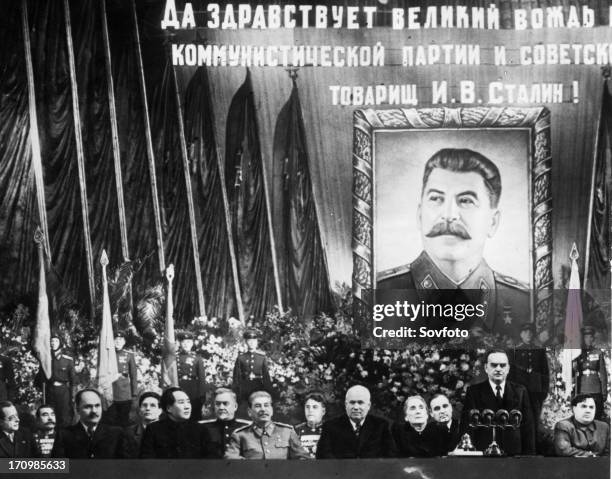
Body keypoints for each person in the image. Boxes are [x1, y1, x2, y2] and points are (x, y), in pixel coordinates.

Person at [377, 148, 530, 341]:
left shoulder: (527, 305)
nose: (449, 215)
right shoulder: (376, 295)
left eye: (466, 200)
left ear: (493, 222)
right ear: (419, 215)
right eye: (436, 198)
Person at [460, 349, 535, 455]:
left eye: (502, 365)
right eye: (494, 365)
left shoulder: (520, 391)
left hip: (513, 456)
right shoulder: (474, 392)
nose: (498, 369)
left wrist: (528, 458)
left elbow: (528, 429)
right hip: (484, 455)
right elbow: (468, 427)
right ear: (486, 368)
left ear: (508, 368)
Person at [316, 385, 396, 458]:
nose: (356, 407)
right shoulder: (330, 427)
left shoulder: (381, 426)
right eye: (352, 402)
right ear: (346, 405)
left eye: (360, 402)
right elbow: (323, 456)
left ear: (368, 405)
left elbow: (390, 457)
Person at [225, 390, 308, 459]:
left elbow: (303, 459)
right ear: (249, 412)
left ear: (271, 409)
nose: (263, 409)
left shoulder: (287, 432)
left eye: (266, 405)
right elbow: (230, 460)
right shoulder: (240, 435)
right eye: (258, 406)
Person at [51, 388, 125, 458]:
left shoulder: (117, 434)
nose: (94, 411)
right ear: (77, 409)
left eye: (97, 406)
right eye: (88, 407)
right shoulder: (64, 435)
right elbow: (58, 469)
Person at [140, 387, 206, 458]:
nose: (187, 406)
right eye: (181, 402)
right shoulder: (153, 430)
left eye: (188, 402)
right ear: (169, 408)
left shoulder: (200, 429)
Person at [508, 323, 549, 425]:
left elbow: (545, 373)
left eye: (530, 332)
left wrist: (544, 391)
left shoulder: (540, 351)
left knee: (534, 420)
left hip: (536, 393)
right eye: (525, 332)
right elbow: (511, 374)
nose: (528, 334)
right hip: (520, 393)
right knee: (520, 421)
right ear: (521, 334)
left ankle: (534, 441)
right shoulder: (514, 351)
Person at [35, 334, 75, 427]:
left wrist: (72, 396)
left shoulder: (67, 360)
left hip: (63, 391)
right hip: (50, 391)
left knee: (64, 416)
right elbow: (39, 379)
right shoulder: (46, 360)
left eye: (56, 341)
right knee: (50, 415)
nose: (53, 343)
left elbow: (73, 381)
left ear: (60, 343)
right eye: (51, 341)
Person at [200, 387, 250, 458]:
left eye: (225, 403)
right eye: (218, 404)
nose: (221, 407)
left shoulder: (246, 428)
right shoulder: (204, 428)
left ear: (235, 406)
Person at [573, 326, 608, 419]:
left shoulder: (598, 353)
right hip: (583, 389)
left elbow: (603, 374)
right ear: (583, 339)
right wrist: (576, 392)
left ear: (593, 339)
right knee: (583, 418)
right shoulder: (578, 354)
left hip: (595, 390)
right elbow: (575, 374)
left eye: (590, 337)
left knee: (596, 417)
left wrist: (604, 393)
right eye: (586, 337)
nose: (588, 339)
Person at [233, 329, 273, 404]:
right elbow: (236, 377)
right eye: (249, 340)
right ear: (245, 342)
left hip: (259, 387)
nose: (251, 343)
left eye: (254, 341)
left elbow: (266, 376)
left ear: (257, 342)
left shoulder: (262, 358)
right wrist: (236, 392)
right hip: (244, 388)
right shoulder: (241, 358)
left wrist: (268, 392)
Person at [107, 331, 138, 427]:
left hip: (124, 392)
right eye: (116, 339)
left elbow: (133, 375)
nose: (118, 342)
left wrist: (134, 393)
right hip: (110, 391)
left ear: (124, 342)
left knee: (123, 421)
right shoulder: (107, 354)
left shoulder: (129, 354)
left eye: (120, 340)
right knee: (111, 421)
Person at [176, 331, 208, 420]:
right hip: (179, 387)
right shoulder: (175, 358)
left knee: (194, 414)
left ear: (192, 343)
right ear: (180, 343)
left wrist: (202, 396)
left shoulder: (197, 359)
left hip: (193, 390)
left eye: (189, 342)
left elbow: (202, 379)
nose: (186, 344)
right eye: (184, 342)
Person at [124, 392, 161, 458]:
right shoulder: (128, 433)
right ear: (140, 410)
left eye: (152, 405)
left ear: (160, 410)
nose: (148, 408)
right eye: (144, 405)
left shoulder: (169, 431)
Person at [294, 392, 326, 459]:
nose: (310, 410)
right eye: (307, 407)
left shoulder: (330, 431)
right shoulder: (295, 431)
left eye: (315, 407)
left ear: (323, 411)